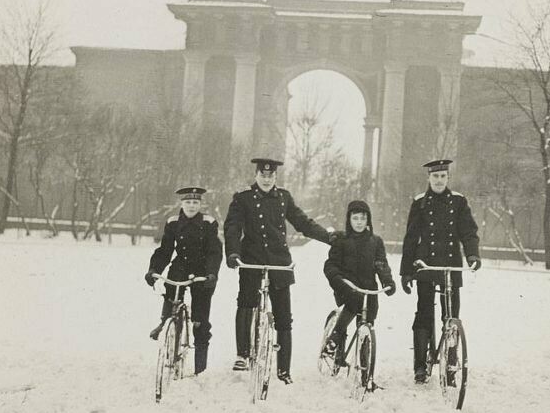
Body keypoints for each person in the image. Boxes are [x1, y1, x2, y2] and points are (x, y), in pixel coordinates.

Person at [224, 158, 340, 385]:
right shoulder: (243, 198)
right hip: (252, 261)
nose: (266, 178)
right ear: (257, 176)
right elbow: (233, 228)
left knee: (284, 318)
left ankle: (284, 369)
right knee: (246, 303)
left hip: (279, 263)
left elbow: (303, 223)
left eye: (271, 175)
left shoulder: (283, 198)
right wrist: (233, 253)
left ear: (275, 177)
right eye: (263, 175)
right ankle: (243, 355)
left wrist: (329, 237)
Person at [400, 160, 481, 384]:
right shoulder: (420, 203)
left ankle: (451, 364)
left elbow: (469, 232)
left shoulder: (458, 201)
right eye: (435, 177)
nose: (439, 181)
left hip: (451, 266)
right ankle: (419, 365)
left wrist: (472, 254)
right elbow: (410, 239)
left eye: (443, 177)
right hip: (426, 265)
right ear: (428, 178)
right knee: (424, 313)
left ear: (447, 178)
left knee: (451, 316)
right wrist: (406, 272)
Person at [145, 186, 222, 375]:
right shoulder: (172, 222)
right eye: (188, 202)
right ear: (181, 203)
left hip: (202, 271)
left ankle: (200, 369)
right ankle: (165, 322)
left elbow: (214, 251)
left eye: (195, 202)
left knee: (200, 320)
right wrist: (154, 269)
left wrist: (212, 273)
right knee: (171, 292)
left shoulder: (208, 222)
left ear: (201, 204)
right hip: (180, 267)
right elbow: (165, 250)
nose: (192, 206)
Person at [322, 200, 396, 367]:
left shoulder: (375, 241)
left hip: (368, 287)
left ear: (368, 220)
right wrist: (336, 278)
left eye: (363, 218)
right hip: (347, 286)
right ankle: (334, 337)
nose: (359, 222)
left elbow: (381, 263)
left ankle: (364, 371)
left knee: (368, 321)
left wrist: (387, 281)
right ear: (349, 220)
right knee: (353, 303)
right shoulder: (341, 240)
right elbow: (331, 264)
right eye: (355, 218)